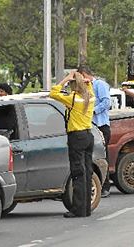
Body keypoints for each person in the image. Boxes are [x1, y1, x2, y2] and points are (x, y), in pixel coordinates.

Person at [50, 71, 95, 218]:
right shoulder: (90, 96)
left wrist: (65, 79)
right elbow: (89, 88)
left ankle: (78, 209)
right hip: (88, 135)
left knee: (78, 173)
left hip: (77, 137)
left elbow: (53, 93)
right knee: (87, 172)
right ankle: (86, 209)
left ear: (73, 85)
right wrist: (86, 82)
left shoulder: (74, 98)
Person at [78, 65, 111, 198]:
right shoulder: (83, 88)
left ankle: (105, 186)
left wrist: (92, 111)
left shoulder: (99, 85)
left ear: (84, 74)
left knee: (101, 157)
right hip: (89, 126)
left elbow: (106, 102)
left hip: (101, 125)